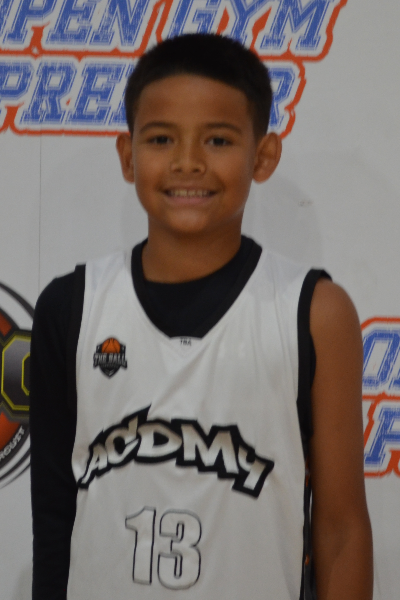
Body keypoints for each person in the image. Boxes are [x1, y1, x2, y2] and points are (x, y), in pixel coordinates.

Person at [30, 33, 373, 600]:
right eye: (161, 138)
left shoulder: (315, 313)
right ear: (127, 155)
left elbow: (341, 531)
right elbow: (53, 518)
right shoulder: (71, 307)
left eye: (217, 139)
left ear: (263, 156)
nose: (188, 162)